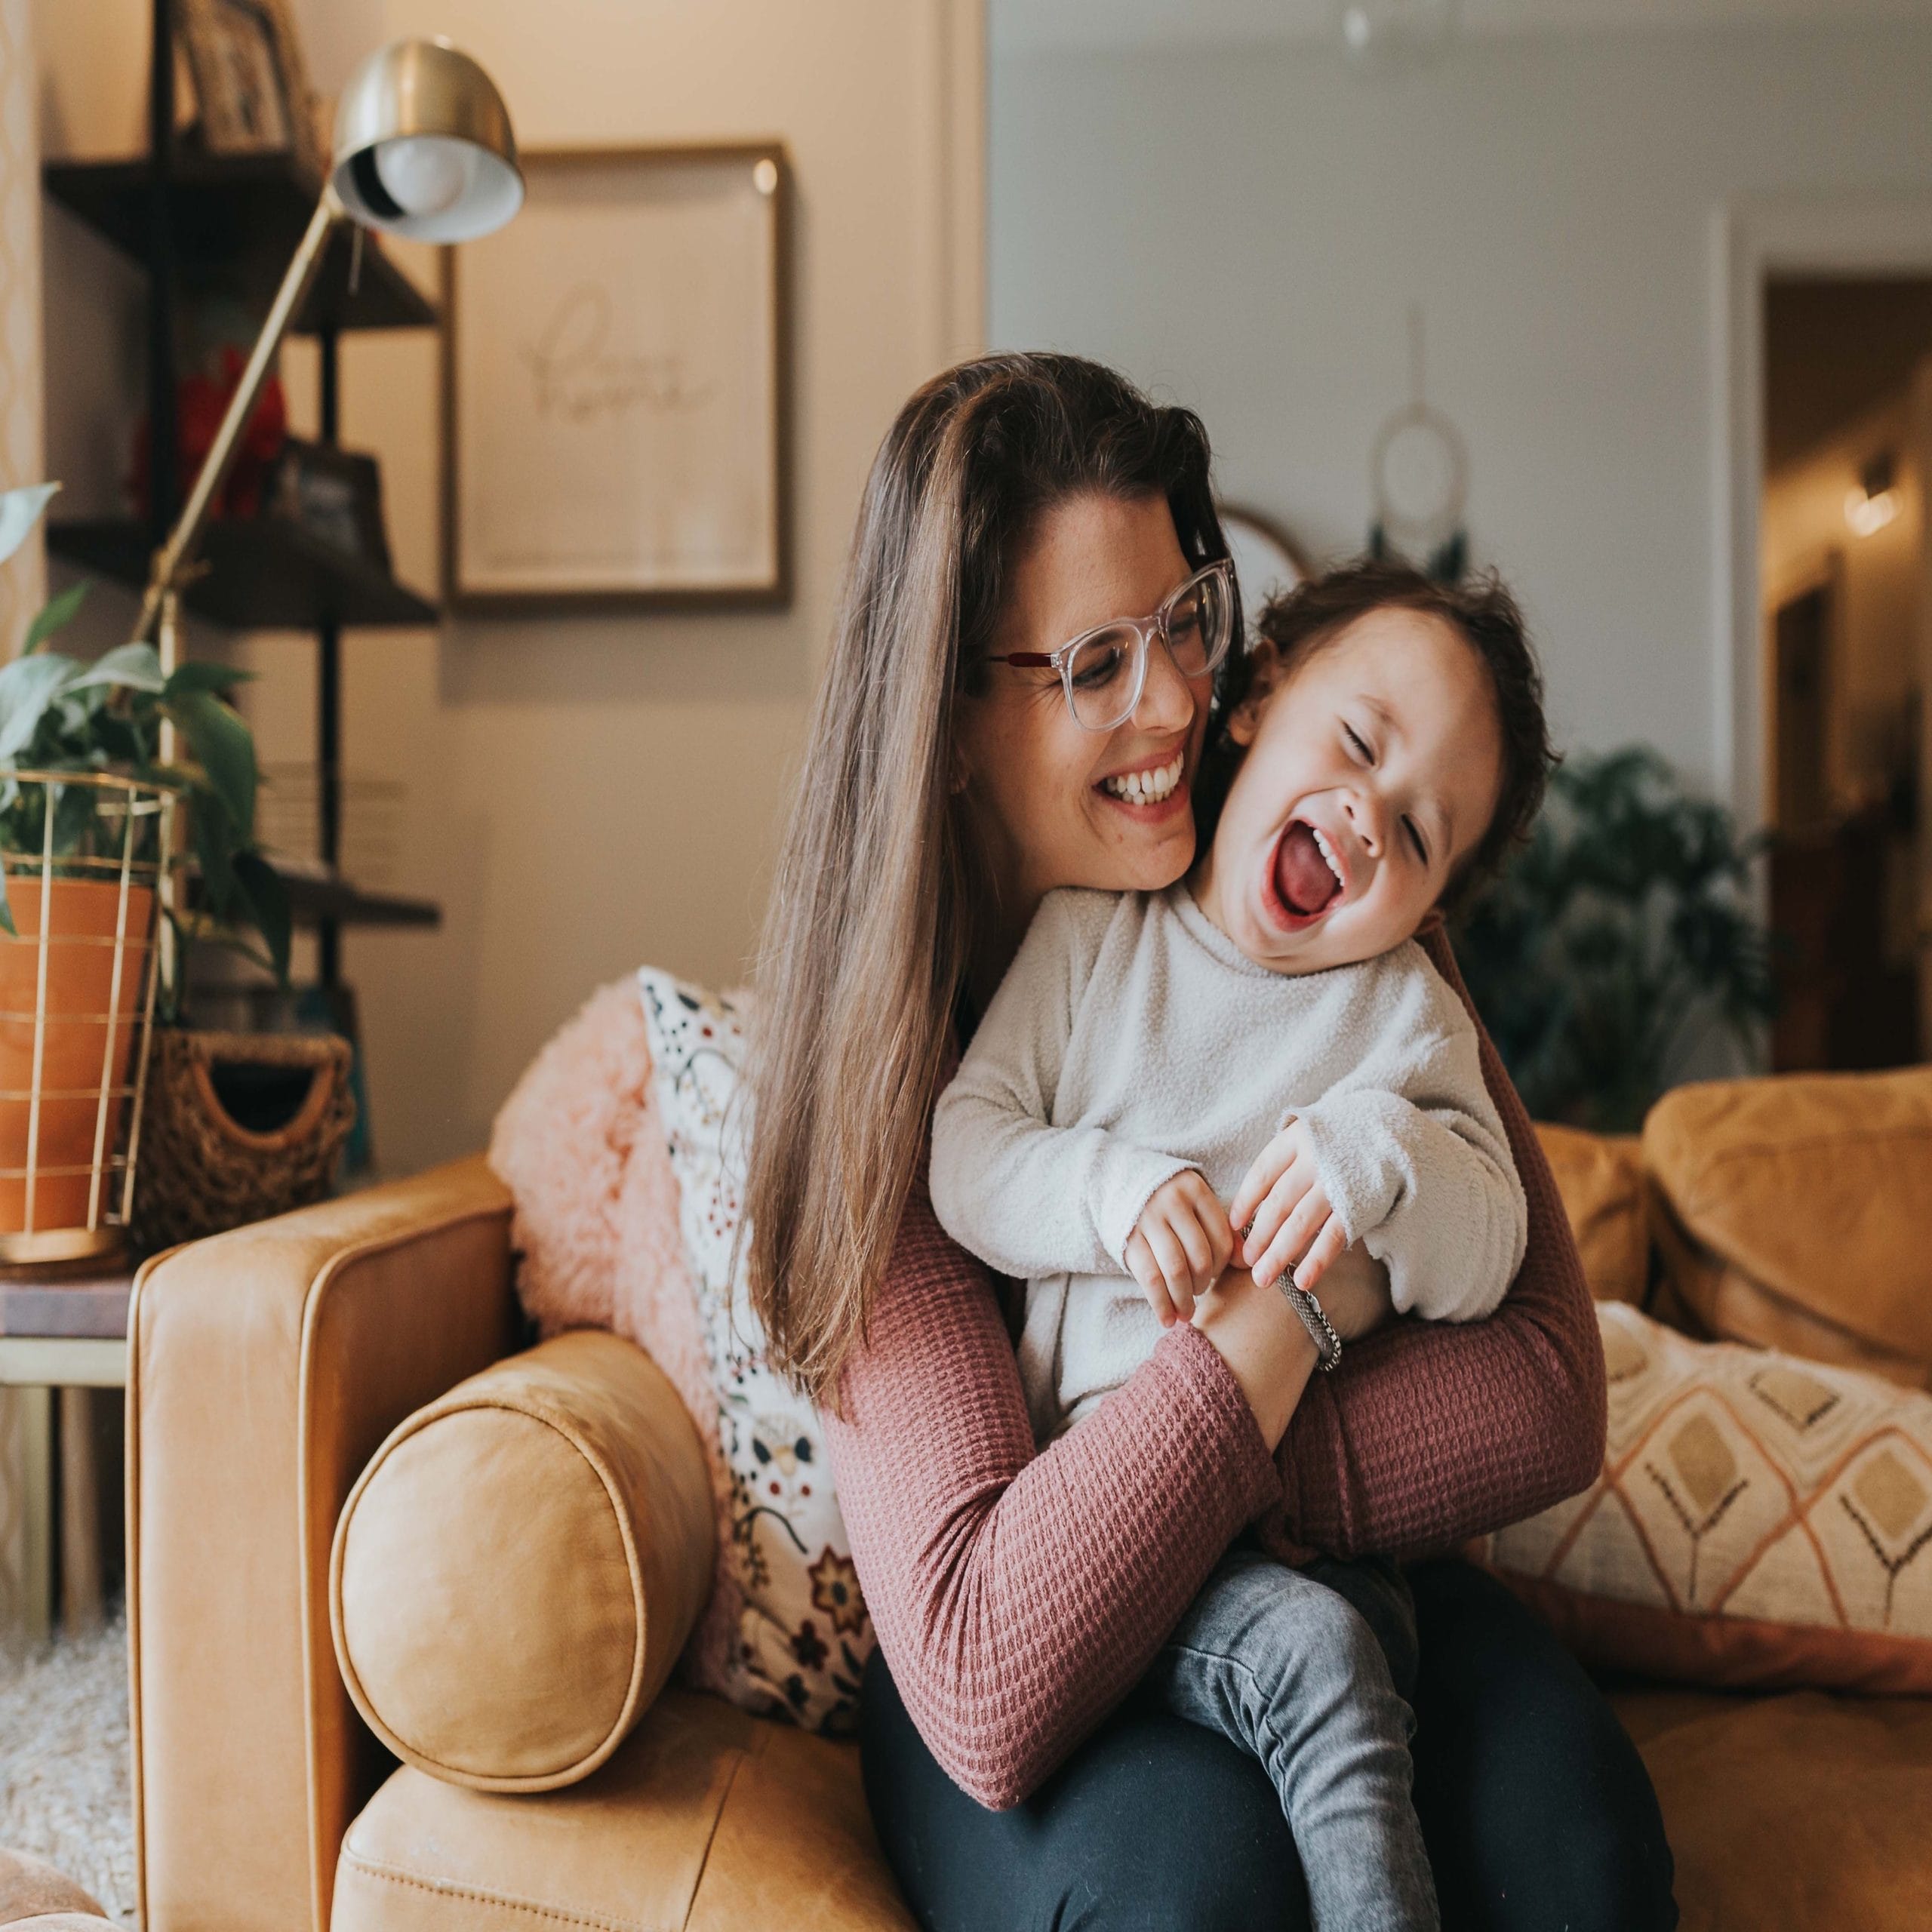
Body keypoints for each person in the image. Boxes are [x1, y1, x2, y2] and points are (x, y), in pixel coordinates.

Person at [743, 350, 1677, 1931]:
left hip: (1309, 1571)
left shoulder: (1344, 924)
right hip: (1030, 1649)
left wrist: (1191, 1459)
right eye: (1093, 661)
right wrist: (1304, 1307)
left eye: (1184, 620)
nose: (1171, 699)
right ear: (950, 712)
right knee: (1193, 1884)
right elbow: (984, 1656)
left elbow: (1542, 1386)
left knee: (1571, 1842)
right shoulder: (889, 1071)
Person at [928, 561, 1556, 1932]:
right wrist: (1105, 1189)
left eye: (1422, 831)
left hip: (1311, 1551)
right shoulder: (1093, 945)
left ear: (1431, 901)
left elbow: (1494, 1245)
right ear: (1258, 696)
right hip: (1101, 1534)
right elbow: (965, 1155)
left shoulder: (1403, 1021)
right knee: (1321, 1667)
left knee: (1343, 1654)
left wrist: (1378, 1162)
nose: (1369, 820)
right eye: (1358, 743)